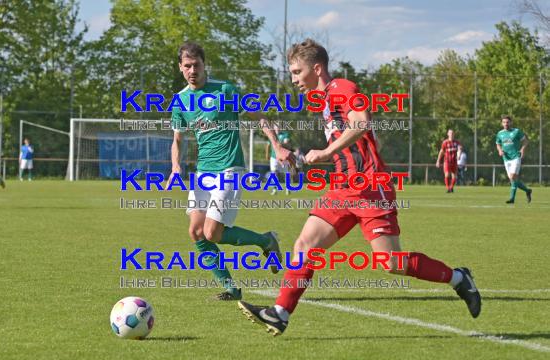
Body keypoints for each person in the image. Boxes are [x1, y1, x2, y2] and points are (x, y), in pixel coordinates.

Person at [238, 39, 481, 335]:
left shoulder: (341, 88)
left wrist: (326, 153)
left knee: (390, 262)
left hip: (368, 186)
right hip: (342, 188)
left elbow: (362, 122)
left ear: (316, 68)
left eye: (297, 71)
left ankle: (459, 278)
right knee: (305, 246)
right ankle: (280, 313)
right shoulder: (324, 99)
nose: (294, 79)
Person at [166, 42, 295, 301]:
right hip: (204, 172)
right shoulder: (180, 100)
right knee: (196, 232)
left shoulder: (225, 90)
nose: (193, 70)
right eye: (187, 66)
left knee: (213, 232)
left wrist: (277, 146)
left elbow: (259, 117)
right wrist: (176, 166)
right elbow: (177, 140)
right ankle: (232, 289)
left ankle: (266, 241)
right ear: (180, 68)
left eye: (197, 65)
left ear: (205, 65)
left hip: (230, 168)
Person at [496, 116, 532, 204]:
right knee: (513, 180)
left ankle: (512, 199)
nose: (506, 124)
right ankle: (527, 190)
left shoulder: (516, 131)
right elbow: (498, 144)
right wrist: (500, 150)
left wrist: (522, 149)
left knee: (512, 177)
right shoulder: (500, 133)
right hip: (506, 159)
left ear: (511, 122)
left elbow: (525, 141)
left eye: (507, 122)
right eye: (504, 122)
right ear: (502, 123)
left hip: (515, 157)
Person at [265, 126, 291, 195]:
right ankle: (274, 190)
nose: (277, 128)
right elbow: (268, 145)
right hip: (273, 157)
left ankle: (288, 188)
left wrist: (283, 143)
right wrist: (267, 154)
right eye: (276, 126)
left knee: (286, 173)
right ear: (274, 127)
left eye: (279, 126)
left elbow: (287, 143)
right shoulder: (271, 135)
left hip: (283, 157)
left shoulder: (285, 135)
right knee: (274, 173)